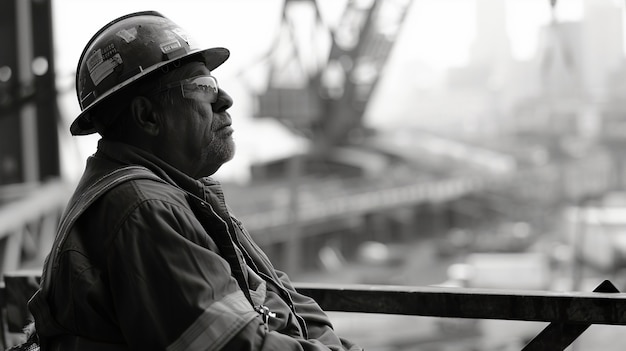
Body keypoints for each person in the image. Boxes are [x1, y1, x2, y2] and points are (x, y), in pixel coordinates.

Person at [26, 11, 363, 351]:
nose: (225, 100)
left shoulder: (176, 195)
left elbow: (284, 296)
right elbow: (238, 346)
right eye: (203, 87)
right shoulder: (144, 208)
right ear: (147, 116)